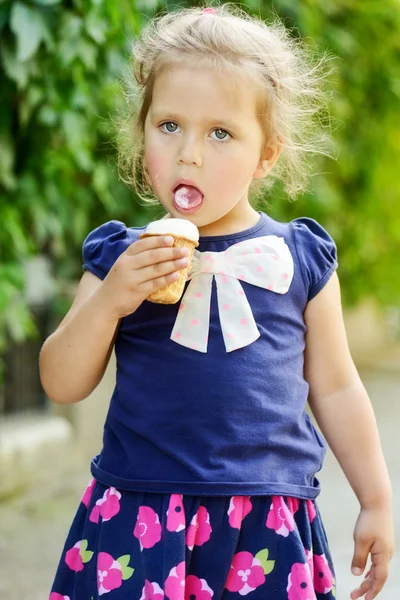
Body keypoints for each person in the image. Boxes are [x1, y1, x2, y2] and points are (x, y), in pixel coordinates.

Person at [39, 4, 394, 600]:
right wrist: (110, 303)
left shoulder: (300, 258)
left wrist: (377, 500)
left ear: (267, 155)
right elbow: (61, 382)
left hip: (266, 524)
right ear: (142, 130)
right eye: (169, 125)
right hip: (141, 519)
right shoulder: (120, 256)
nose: (189, 154)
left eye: (220, 133)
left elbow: (335, 386)